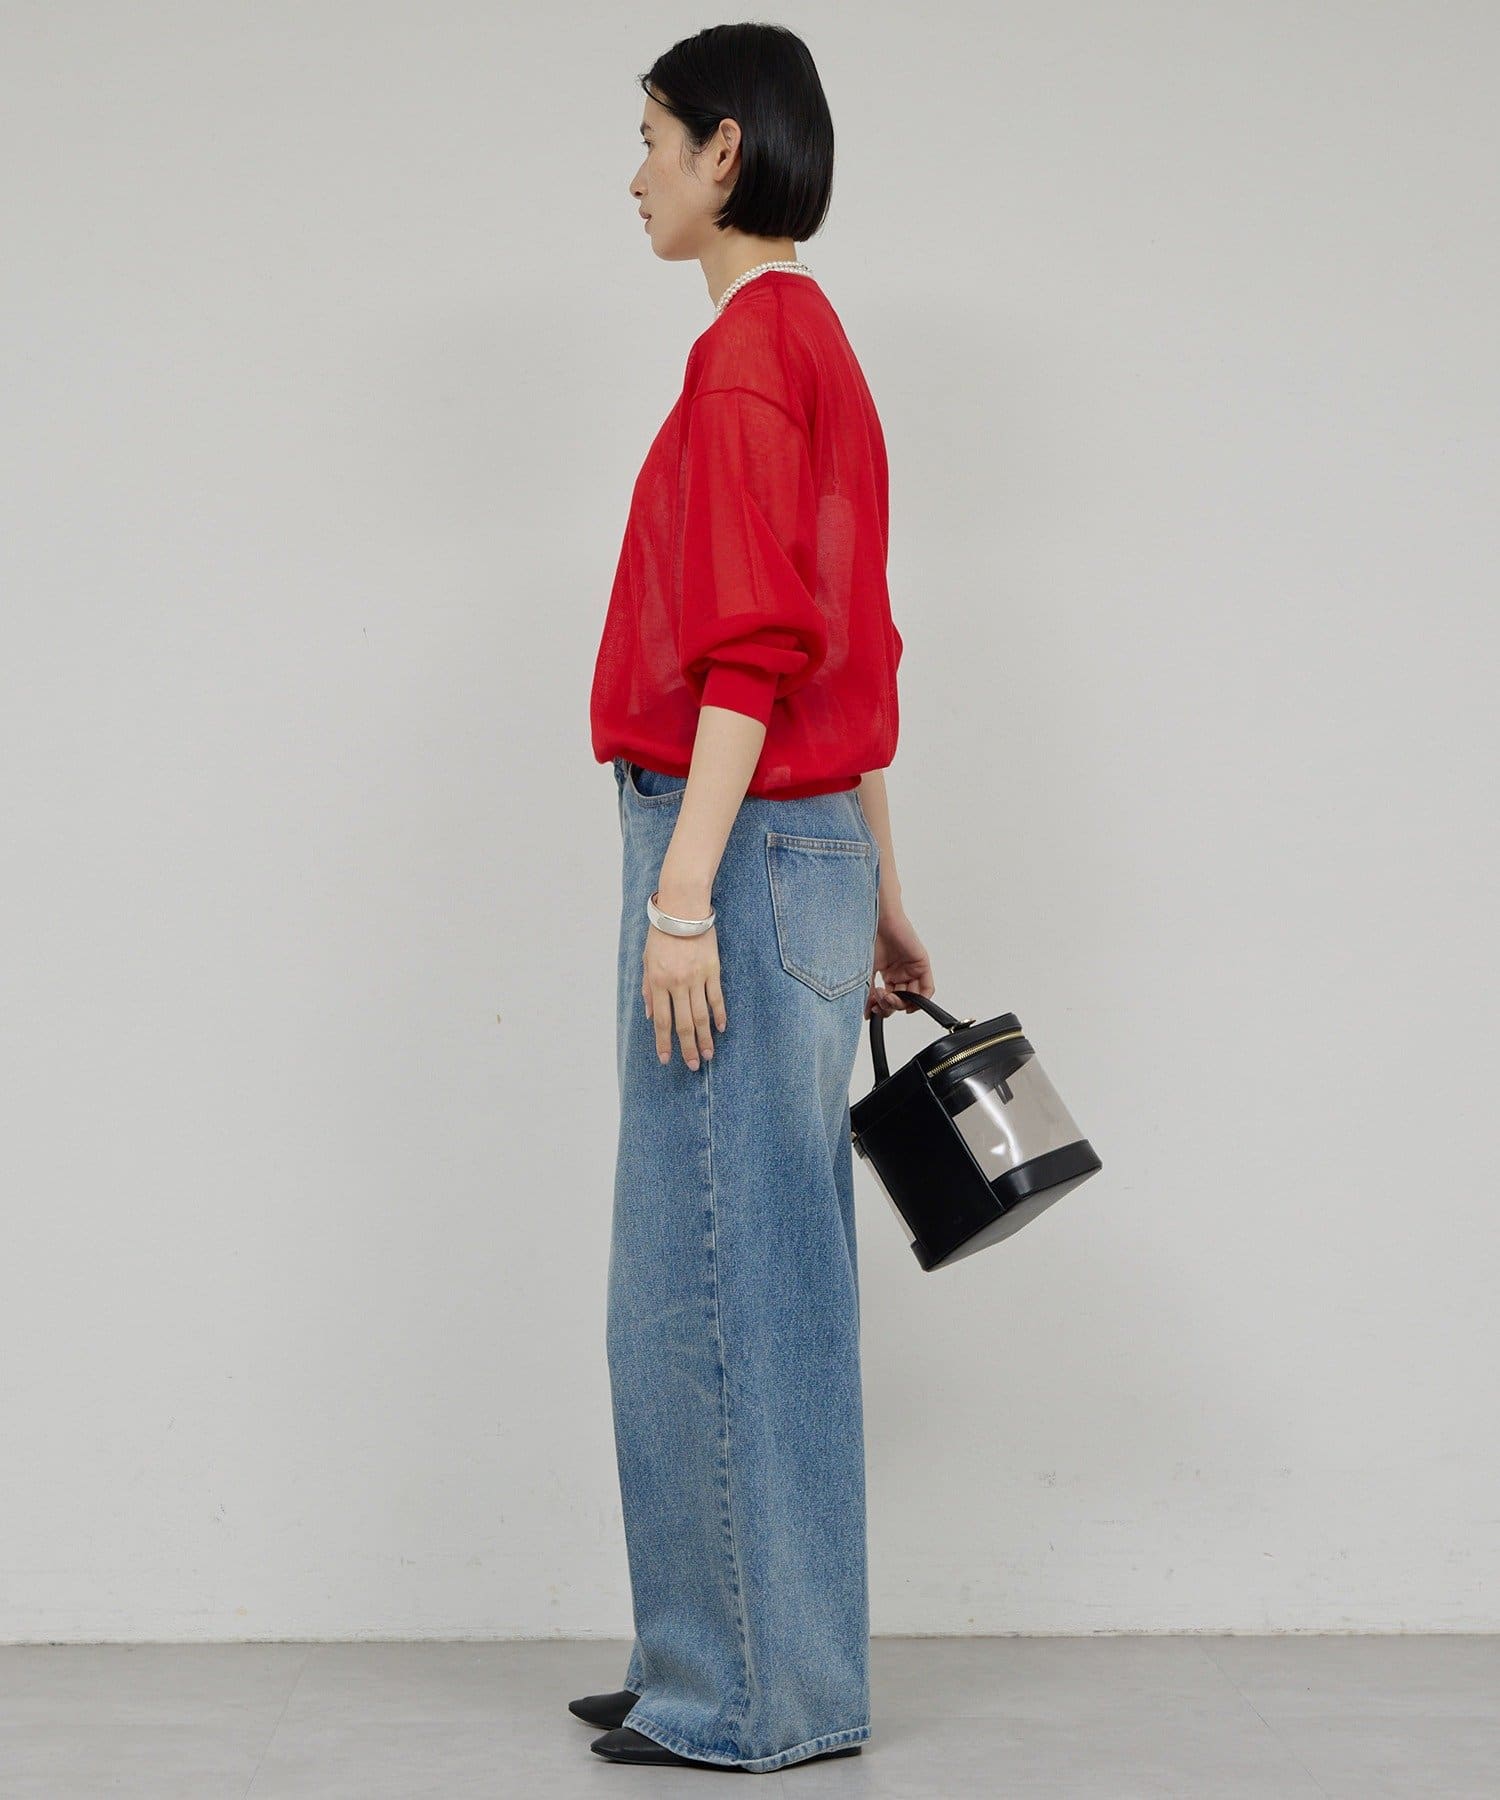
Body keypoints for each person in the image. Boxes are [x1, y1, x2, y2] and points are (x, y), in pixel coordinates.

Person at [575, 22, 933, 1775]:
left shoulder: (742, 360)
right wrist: (883, 888)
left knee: (706, 1275)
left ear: (727, 150)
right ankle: (723, 1659)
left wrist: (682, 895)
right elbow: (851, 643)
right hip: (811, 851)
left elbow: (753, 649)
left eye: (651, 139)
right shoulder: (817, 343)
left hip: (732, 849)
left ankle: (741, 1698)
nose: (633, 174)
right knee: (766, 1273)